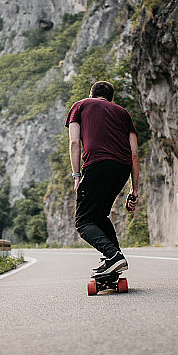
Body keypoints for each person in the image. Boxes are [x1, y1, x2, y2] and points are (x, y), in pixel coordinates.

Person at [65, 80, 139, 277]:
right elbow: (134, 154)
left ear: (91, 94)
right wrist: (134, 190)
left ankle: (113, 257)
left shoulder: (80, 106)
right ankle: (114, 260)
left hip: (97, 164)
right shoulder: (122, 113)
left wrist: (76, 176)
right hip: (122, 168)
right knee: (100, 216)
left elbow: (74, 142)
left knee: (84, 221)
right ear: (110, 99)